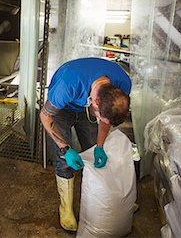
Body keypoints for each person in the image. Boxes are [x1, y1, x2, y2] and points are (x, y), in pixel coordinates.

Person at [40, 57, 131, 232]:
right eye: (99, 116)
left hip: (85, 105)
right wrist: (65, 148)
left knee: (90, 147)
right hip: (62, 109)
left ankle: (103, 198)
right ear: (96, 102)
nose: (101, 120)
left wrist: (99, 146)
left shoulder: (123, 84)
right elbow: (45, 116)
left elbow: (106, 119)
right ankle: (65, 208)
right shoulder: (67, 85)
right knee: (64, 159)